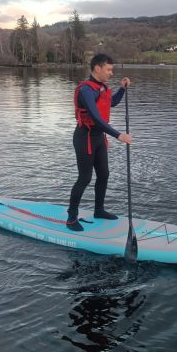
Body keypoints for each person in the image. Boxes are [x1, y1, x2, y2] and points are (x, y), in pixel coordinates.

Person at [67, 53, 132, 231]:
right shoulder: (86, 90)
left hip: (99, 138)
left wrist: (122, 89)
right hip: (85, 137)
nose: (111, 73)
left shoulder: (102, 88)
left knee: (104, 175)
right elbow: (95, 118)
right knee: (85, 178)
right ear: (98, 68)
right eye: (109, 69)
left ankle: (99, 210)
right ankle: (71, 217)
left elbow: (112, 103)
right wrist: (118, 135)